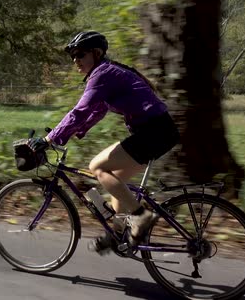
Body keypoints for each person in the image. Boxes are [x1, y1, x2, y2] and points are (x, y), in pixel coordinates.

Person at [28, 31, 180, 254]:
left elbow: (79, 111)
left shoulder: (102, 74)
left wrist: (50, 139)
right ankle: (118, 233)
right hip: (159, 132)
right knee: (115, 180)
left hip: (153, 132)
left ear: (96, 53)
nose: (75, 60)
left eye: (80, 54)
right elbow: (97, 109)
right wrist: (76, 131)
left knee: (97, 167)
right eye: (72, 56)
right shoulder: (107, 72)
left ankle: (140, 216)